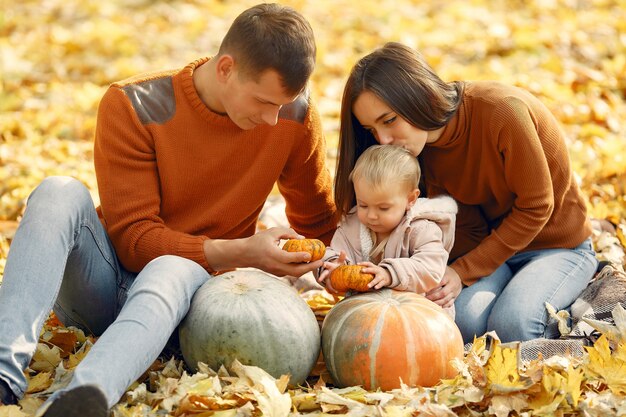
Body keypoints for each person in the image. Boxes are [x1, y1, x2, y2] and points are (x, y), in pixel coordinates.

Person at [0, 4, 337, 416]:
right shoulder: (134, 104)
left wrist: (378, 269)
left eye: (283, 105)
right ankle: (3, 374)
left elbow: (320, 224)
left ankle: (82, 398)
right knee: (57, 191)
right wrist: (243, 251)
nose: (272, 120)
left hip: (192, 307)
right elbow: (134, 240)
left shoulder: (294, 117)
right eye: (264, 101)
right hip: (103, 285)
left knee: (172, 266)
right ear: (226, 68)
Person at [334, 42, 599, 344]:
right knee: (461, 321)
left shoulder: (502, 111)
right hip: (495, 252)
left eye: (389, 120)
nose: (383, 139)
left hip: (558, 246)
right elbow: (465, 223)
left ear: (417, 95)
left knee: (513, 323)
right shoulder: (419, 152)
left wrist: (464, 271)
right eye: (371, 129)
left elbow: (537, 206)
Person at [317, 144, 457, 316]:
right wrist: (333, 271)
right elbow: (336, 253)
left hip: (420, 314)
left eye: (383, 208)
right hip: (367, 314)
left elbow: (430, 267)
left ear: (411, 199)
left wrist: (390, 274)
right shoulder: (351, 228)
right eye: (363, 205)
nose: (372, 215)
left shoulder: (422, 228)